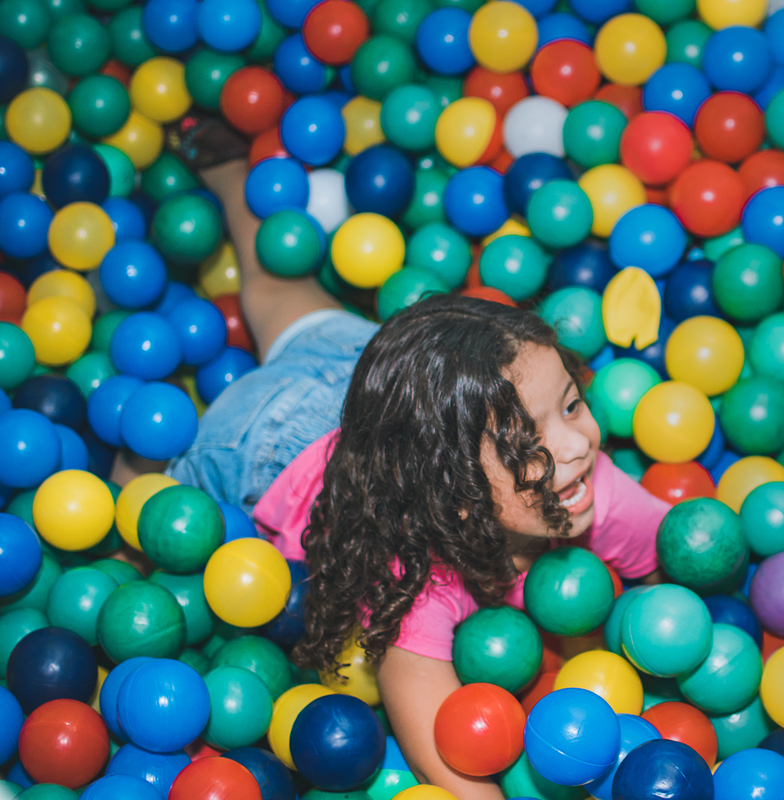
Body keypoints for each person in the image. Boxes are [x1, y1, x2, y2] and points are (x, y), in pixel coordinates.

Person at [164, 120, 670, 799]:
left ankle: (228, 174)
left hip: (375, 372)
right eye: (531, 442)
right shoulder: (414, 577)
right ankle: (229, 175)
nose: (578, 446)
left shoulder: (584, 486)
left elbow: (680, 555)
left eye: (573, 405)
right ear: (453, 490)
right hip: (267, 440)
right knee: (154, 510)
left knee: (281, 291)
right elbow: (442, 749)